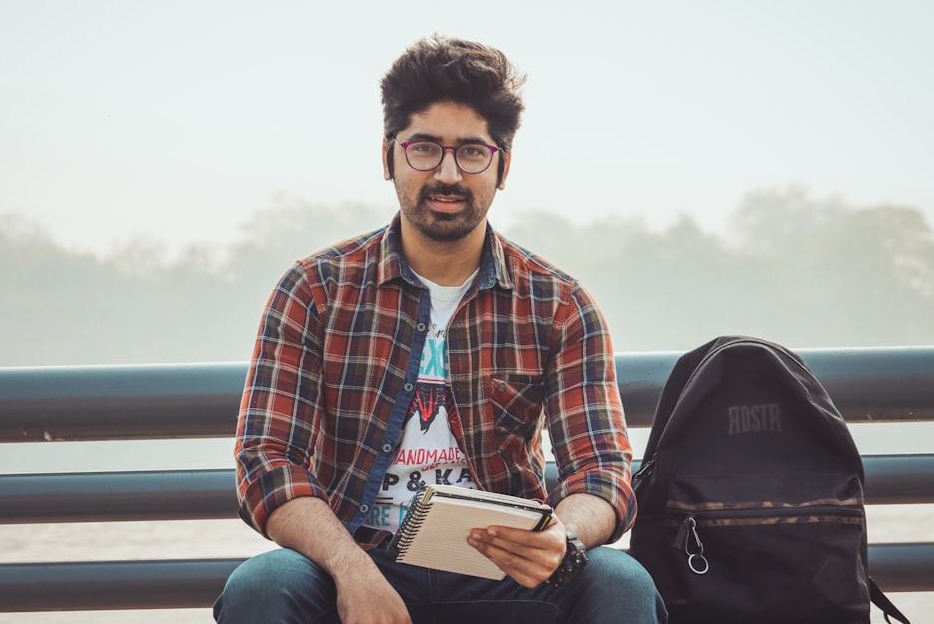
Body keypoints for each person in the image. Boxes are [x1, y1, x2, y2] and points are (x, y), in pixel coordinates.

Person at [214, 35, 666, 624]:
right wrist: (352, 571)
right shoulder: (314, 290)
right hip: (355, 555)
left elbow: (602, 466)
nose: (447, 173)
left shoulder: (559, 303)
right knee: (263, 586)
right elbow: (267, 460)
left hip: (504, 570)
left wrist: (564, 538)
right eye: (424, 148)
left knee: (617, 580)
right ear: (388, 157)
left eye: (472, 152)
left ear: (502, 167)